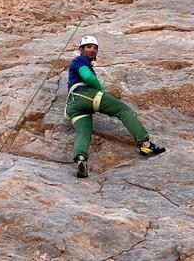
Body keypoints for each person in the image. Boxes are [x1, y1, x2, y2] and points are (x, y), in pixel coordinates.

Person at [64, 35, 166, 178]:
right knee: (124, 110)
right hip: (86, 95)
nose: (92, 50)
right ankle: (146, 145)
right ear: (81, 49)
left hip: (72, 106)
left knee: (84, 133)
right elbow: (87, 77)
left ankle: (81, 160)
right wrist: (100, 90)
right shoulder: (80, 60)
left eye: (95, 48)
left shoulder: (80, 62)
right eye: (88, 47)